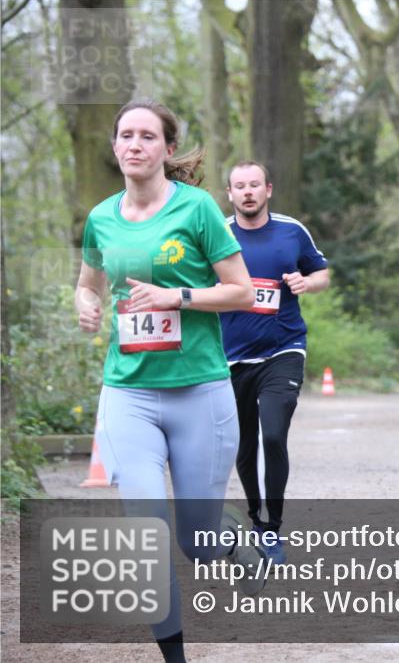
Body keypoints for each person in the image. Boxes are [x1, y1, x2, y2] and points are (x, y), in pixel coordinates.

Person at [75, 99, 265, 663]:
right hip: (128, 392)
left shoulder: (198, 209)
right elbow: (87, 283)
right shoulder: (101, 217)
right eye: (125, 135)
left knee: (194, 542)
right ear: (115, 147)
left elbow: (243, 291)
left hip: (198, 392)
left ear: (166, 148)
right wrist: (85, 304)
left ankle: (233, 544)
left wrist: (177, 296)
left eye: (147, 136)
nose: (135, 144)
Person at [219, 160, 329, 564]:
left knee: (274, 434)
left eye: (254, 185)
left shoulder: (291, 230)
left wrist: (306, 282)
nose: (247, 192)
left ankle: (271, 528)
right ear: (229, 194)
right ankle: (254, 516)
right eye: (238, 186)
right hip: (230, 358)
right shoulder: (217, 234)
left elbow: (321, 273)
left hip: (284, 348)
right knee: (244, 445)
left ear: (268, 189)